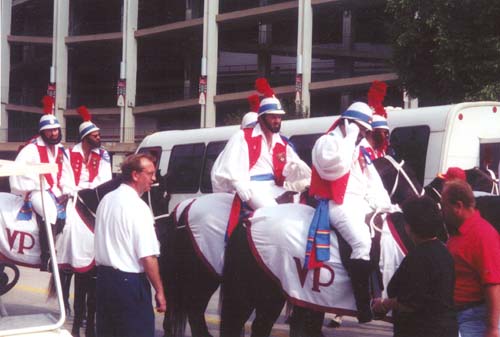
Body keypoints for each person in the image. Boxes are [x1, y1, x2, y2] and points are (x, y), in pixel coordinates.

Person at [308, 101, 393, 323]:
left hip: (360, 203)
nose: (363, 135)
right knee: (362, 243)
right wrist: (350, 139)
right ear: (348, 124)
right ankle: (362, 304)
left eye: (365, 131)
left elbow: (372, 181)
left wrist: (384, 204)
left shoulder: (356, 148)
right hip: (338, 203)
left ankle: (378, 294)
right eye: (361, 130)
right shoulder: (328, 142)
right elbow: (333, 169)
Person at [211, 78, 311, 237]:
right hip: (253, 187)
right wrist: (238, 183)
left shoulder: (282, 143)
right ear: (261, 118)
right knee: (275, 213)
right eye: (272, 116)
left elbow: (293, 168)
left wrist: (297, 170)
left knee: (301, 210)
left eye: (279, 117)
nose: (277, 120)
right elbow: (228, 164)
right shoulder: (243, 136)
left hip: (276, 186)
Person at [94, 153, 166, 337]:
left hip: (103, 281)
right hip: (129, 284)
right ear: (135, 175)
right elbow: (148, 256)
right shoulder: (138, 207)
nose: (154, 178)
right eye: (150, 174)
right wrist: (159, 291)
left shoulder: (106, 200)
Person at [371, 195, 458, 337]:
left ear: (408, 227)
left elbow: (410, 303)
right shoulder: (445, 252)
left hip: (421, 329)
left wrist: (384, 304)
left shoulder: (418, 257)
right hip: (446, 328)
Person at [10, 95, 76, 271]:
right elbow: (18, 172)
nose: (54, 133)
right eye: (50, 131)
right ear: (42, 132)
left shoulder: (61, 149)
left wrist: (68, 189)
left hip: (58, 190)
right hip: (37, 190)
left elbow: (67, 173)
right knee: (50, 212)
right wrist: (39, 185)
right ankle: (47, 256)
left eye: (56, 130)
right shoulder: (31, 149)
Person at [441, 179, 500, 337]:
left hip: (474, 318)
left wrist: (493, 328)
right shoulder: (459, 233)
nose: (442, 211)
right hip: (460, 315)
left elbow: (493, 284)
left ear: (458, 206)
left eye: (444, 206)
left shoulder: (482, 236)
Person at [69, 106, 112, 190]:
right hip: (74, 192)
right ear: (85, 138)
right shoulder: (69, 153)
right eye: (95, 136)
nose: (98, 138)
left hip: (96, 192)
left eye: (99, 135)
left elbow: (105, 178)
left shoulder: (103, 154)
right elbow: (66, 176)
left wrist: (89, 189)